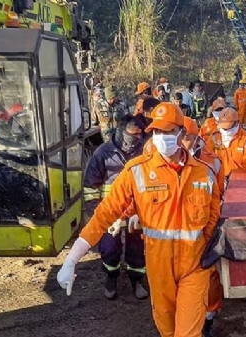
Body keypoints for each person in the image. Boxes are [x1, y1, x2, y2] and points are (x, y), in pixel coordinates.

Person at [57, 102, 222, 337]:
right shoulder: (137, 170)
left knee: (187, 334)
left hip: (195, 266)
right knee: (166, 328)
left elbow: (213, 218)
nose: (161, 137)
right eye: (156, 132)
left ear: (181, 133)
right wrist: (72, 259)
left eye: (168, 132)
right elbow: (105, 213)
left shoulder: (204, 172)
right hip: (158, 266)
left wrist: (206, 251)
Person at [83, 114, 148, 300]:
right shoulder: (103, 153)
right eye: (132, 134)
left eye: (140, 134)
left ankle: (137, 280)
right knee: (109, 247)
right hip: (110, 212)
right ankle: (111, 277)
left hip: (137, 211)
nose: (136, 138)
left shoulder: (144, 152)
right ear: (120, 131)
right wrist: (97, 215)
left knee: (137, 248)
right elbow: (90, 188)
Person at [180, 116, 225, 337]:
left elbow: (218, 197)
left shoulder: (213, 162)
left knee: (211, 275)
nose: (180, 143)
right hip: (174, 232)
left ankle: (208, 317)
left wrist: (210, 232)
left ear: (197, 138)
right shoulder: (164, 159)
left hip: (204, 229)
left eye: (186, 138)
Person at [207, 107, 246, 177]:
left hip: (240, 182)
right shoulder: (214, 137)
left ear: (237, 123)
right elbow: (208, 160)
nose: (225, 130)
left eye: (228, 127)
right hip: (218, 179)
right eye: (223, 128)